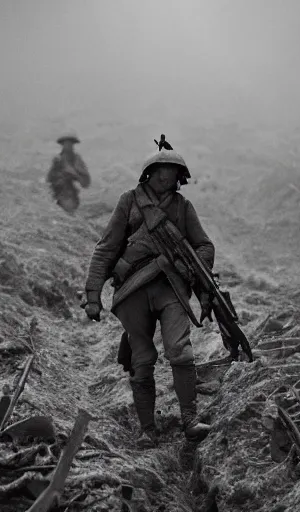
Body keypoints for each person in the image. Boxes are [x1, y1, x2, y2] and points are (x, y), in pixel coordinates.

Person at [82, 142, 213, 447]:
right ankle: (147, 429)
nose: (167, 177)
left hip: (171, 289)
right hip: (132, 291)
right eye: (161, 171)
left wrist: (186, 264)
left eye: (173, 172)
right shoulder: (129, 202)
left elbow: (205, 246)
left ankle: (190, 420)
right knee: (142, 360)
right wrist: (92, 295)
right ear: (148, 173)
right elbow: (106, 248)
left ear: (180, 177)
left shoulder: (183, 208)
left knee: (180, 350)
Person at [46, 132, 90, 214]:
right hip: (58, 192)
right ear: (62, 144)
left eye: (70, 143)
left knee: (70, 211)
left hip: (70, 194)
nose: (68, 146)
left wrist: (74, 173)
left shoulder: (77, 159)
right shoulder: (57, 160)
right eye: (66, 143)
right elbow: (49, 179)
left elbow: (85, 182)